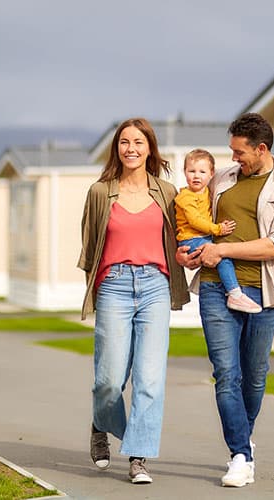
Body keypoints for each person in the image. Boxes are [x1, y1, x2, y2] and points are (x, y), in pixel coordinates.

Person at [177, 112, 274, 488]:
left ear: (261, 149)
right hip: (216, 288)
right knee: (226, 375)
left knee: (254, 377)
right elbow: (191, 219)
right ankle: (240, 454)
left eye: (239, 152)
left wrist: (223, 250)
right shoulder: (222, 180)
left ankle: (242, 441)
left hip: (263, 294)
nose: (233, 158)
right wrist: (187, 252)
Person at [78, 117, 189, 484]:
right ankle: (101, 422)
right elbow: (90, 250)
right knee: (109, 379)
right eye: (124, 142)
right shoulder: (100, 192)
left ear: (150, 149)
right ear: (117, 148)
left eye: (138, 142)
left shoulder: (167, 192)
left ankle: (138, 456)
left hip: (155, 285)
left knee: (150, 378)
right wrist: (96, 290)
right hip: (114, 286)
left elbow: (183, 237)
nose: (131, 149)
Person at [175, 149, 262, 314]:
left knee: (221, 257)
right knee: (222, 258)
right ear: (184, 172)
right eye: (191, 171)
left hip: (202, 237)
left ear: (211, 174)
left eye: (202, 172)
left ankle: (230, 290)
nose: (196, 176)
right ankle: (235, 294)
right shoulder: (185, 197)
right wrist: (218, 229)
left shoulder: (207, 191)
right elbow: (194, 220)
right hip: (191, 239)